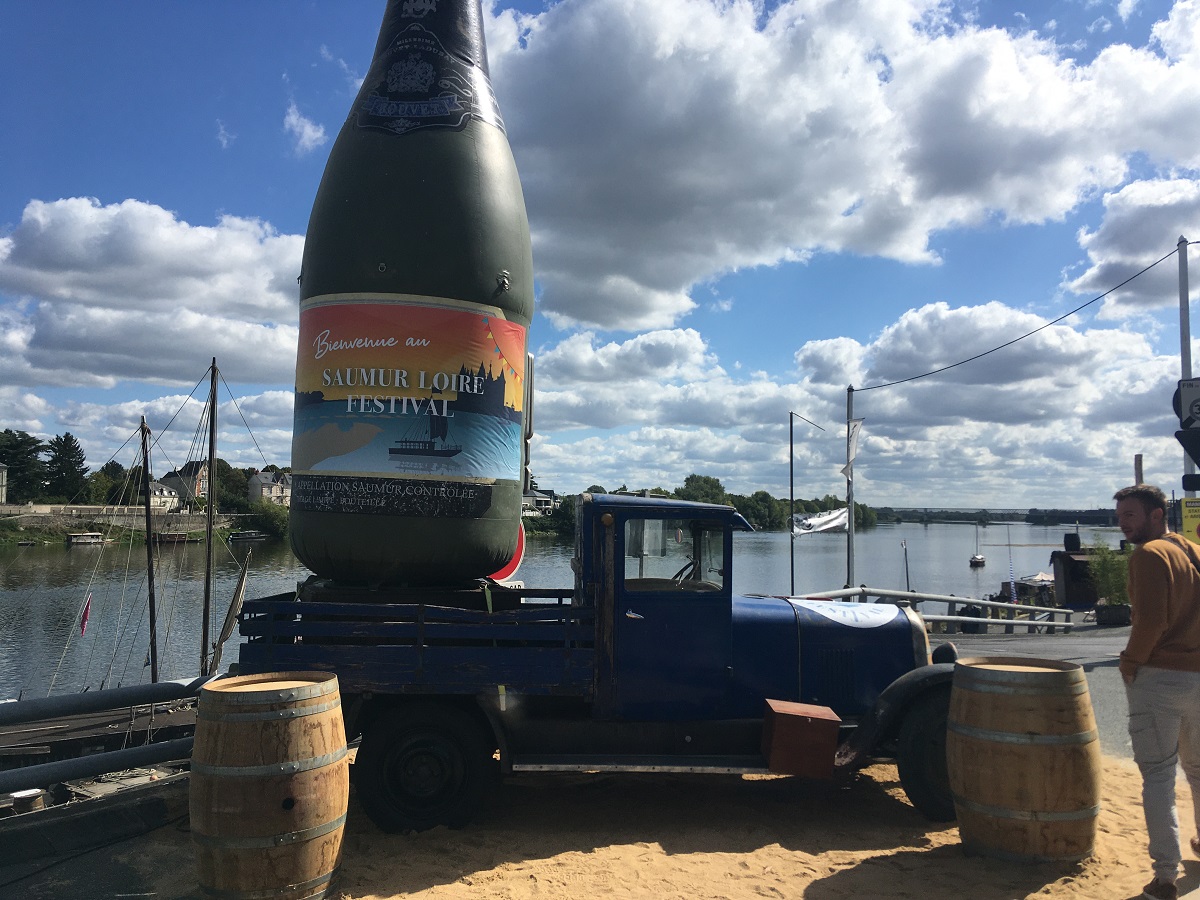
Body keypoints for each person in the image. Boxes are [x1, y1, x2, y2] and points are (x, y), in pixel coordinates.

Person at [1114, 484, 1200, 900]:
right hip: (1199, 676)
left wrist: (1130, 663)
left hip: (1160, 676)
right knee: (1198, 768)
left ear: (1156, 514)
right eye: (1120, 516)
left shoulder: (1148, 556)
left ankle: (1165, 877)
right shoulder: (1191, 550)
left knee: (1159, 776)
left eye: (1130, 515)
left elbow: (1150, 622)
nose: (1122, 523)